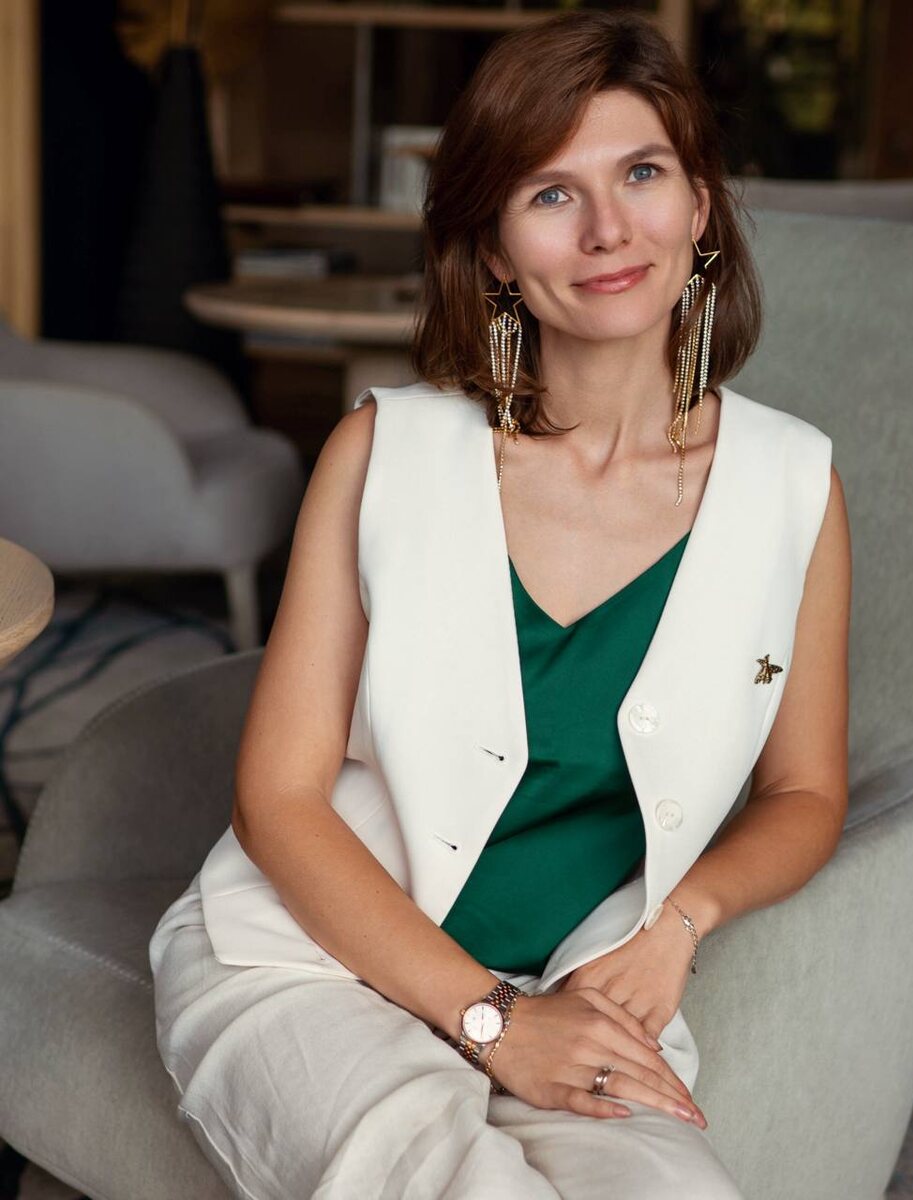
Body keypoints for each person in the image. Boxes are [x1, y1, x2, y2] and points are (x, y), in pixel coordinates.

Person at [148, 10, 851, 1199]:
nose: (609, 229)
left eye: (642, 174)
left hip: (579, 987)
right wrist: (490, 1021)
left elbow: (806, 793)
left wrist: (680, 923)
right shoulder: (385, 452)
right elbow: (277, 799)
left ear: (700, 208)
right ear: (491, 250)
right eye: (551, 193)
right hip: (310, 965)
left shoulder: (795, 485)